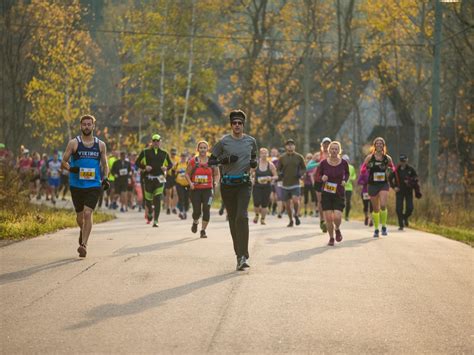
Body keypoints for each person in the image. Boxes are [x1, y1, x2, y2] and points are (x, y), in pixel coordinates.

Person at [210, 109, 257, 271]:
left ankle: (243, 255)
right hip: (228, 185)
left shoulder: (251, 141)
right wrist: (226, 159)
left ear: (243, 125)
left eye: (240, 123)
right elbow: (211, 160)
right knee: (232, 220)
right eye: (234, 123)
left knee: (241, 217)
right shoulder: (224, 142)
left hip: (244, 183)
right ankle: (239, 254)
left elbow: (254, 156)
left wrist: (253, 163)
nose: (237, 125)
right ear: (231, 125)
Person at [61, 114, 109, 257]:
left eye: (89, 124)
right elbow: (63, 161)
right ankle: (83, 230)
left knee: (88, 213)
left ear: (93, 126)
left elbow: (105, 164)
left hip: (93, 184)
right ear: (81, 126)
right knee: (80, 218)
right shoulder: (74, 143)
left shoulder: (100, 145)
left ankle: (84, 245)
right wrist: (70, 168)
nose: (87, 127)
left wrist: (105, 178)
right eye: (84, 124)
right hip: (76, 184)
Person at [361, 137, 395, 238]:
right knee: (376, 209)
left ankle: (384, 226)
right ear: (374, 145)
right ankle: (376, 229)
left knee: (383, 205)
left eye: (381, 143)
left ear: (383, 146)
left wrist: (390, 170)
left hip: (383, 184)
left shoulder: (387, 158)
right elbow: (362, 169)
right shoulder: (369, 158)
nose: (379, 145)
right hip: (372, 184)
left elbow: (393, 168)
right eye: (377, 143)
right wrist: (366, 170)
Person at [317, 141, 349, 246]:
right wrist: (322, 178)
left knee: (337, 217)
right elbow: (318, 176)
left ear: (339, 151)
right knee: (329, 218)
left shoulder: (344, 163)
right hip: (326, 193)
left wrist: (345, 180)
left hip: (339, 192)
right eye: (332, 149)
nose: (334, 151)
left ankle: (338, 229)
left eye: (336, 149)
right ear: (329, 150)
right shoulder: (323, 163)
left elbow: (347, 173)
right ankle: (331, 238)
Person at [186, 141, 220, 238]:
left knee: (206, 209)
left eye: (205, 148)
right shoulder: (193, 161)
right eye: (201, 148)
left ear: (207, 149)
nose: (203, 150)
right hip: (195, 190)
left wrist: (216, 182)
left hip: (208, 190)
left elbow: (217, 174)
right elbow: (187, 174)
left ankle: (203, 230)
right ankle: (195, 221)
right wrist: (190, 183)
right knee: (197, 211)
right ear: (198, 149)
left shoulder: (212, 161)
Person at [137, 134, 172, 227]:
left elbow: (171, 164)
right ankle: (150, 212)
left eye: (158, 141)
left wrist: (166, 168)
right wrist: (145, 167)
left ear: (161, 142)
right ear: (151, 142)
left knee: (157, 199)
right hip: (148, 179)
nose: (156, 142)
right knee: (148, 201)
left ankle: (156, 220)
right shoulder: (145, 152)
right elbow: (137, 162)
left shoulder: (164, 153)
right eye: (154, 141)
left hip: (159, 179)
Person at [278, 139, 306, 227]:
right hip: (285, 184)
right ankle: (291, 221)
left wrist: (300, 174)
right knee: (287, 205)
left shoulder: (299, 157)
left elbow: (304, 168)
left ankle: (296, 215)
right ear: (286, 147)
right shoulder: (282, 157)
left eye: (292, 144)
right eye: (288, 144)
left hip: (295, 183)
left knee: (295, 200)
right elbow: (278, 169)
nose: (290, 146)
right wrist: (280, 174)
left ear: (294, 146)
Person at [390, 154, 422, 230]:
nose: (403, 163)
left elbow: (416, 178)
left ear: (407, 161)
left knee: (410, 208)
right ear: (399, 161)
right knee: (398, 208)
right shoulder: (396, 170)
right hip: (399, 191)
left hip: (408, 191)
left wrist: (410, 181)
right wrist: (394, 187)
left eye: (404, 161)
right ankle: (401, 224)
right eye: (401, 161)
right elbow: (390, 179)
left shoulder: (411, 169)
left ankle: (405, 217)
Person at [252, 147, 278, 225]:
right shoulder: (256, 164)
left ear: (268, 154)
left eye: (265, 153)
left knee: (264, 204)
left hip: (267, 187)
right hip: (257, 186)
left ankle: (262, 219)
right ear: (260, 154)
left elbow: (276, 176)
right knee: (256, 202)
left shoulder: (270, 165)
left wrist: (270, 178)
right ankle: (256, 215)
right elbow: (250, 173)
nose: (264, 155)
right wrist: (252, 179)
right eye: (262, 153)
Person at [313, 137, 331, 232]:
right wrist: (317, 163)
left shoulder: (334, 155)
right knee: (321, 202)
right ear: (322, 144)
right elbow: (308, 167)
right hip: (319, 180)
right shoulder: (317, 155)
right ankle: (322, 220)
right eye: (325, 143)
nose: (326, 145)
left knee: (328, 201)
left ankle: (328, 220)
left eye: (328, 143)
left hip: (330, 181)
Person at [173, 152, 191, 219]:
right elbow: (172, 171)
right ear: (180, 157)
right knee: (181, 197)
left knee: (186, 198)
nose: (183, 158)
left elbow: (192, 172)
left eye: (184, 156)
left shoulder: (188, 164)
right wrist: (174, 180)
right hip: (179, 183)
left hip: (187, 184)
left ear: (186, 157)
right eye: (182, 156)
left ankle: (185, 211)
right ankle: (181, 211)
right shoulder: (177, 164)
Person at [342, 154, 356, 221]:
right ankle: (339, 214)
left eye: (347, 160)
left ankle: (347, 216)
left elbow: (354, 176)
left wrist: (351, 178)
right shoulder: (340, 166)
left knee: (348, 202)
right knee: (341, 201)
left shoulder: (351, 167)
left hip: (349, 187)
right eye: (344, 160)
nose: (346, 161)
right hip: (341, 187)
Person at [164, 148, 179, 215]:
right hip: (168, 176)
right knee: (168, 193)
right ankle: (168, 208)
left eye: (174, 153)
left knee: (175, 192)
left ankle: (173, 207)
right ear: (170, 153)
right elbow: (164, 168)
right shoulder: (167, 159)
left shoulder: (178, 159)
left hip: (175, 176)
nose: (173, 154)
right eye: (172, 153)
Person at [303, 153, 318, 217]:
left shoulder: (314, 166)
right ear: (305, 159)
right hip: (305, 184)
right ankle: (305, 211)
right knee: (306, 198)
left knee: (313, 198)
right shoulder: (304, 166)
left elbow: (313, 174)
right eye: (307, 158)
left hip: (312, 184)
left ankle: (313, 211)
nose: (309, 159)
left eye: (310, 158)